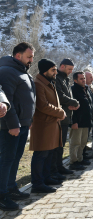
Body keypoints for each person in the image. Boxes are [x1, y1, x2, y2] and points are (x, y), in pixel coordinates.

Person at [0, 42, 36, 211]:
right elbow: (8, 102)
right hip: (10, 127)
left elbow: (28, 100)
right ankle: (2, 195)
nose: (31, 61)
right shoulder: (7, 71)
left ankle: (11, 187)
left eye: (32, 58)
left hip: (22, 125)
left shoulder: (22, 72)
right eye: (29, 57)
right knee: (6, 160)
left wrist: (29, 120)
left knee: (15, 158)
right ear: (18, 55)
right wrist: (13, 125)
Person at [30, 59, 66, 194]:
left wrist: (59, 111)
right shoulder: (38, 84)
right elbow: (43, 105)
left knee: (48, 153)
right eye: (53, 70)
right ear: (45, 71)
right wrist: (60, 112)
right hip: (43, 126)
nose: (56, 72)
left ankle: (46, 178)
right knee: (41, 154)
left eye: (56, 69)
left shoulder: (49, 82)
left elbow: (54, 103)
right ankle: (37, 183)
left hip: (52, 124)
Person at [53, 58, 79, 177]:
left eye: (72, 70)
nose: (70, 72)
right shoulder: (57, 78)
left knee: (61, 145)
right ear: (62, 66)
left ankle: (59, 166)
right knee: (57, 146)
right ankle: (55, 169)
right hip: (59, 118)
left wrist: (71, 105)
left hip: (66, 116)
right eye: (69, 69)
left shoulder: (65, 79)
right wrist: (74, 102)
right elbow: (60, 96)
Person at [70, 72, 93, 170]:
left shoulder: (86, 89)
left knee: (83, 142)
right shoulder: (73, 90)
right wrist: (74, 121)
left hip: (86, 120)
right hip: (78, 121)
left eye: (84, 78)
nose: (83, 80)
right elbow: (72, 108)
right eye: (81, 79)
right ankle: (73, 161)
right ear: (75, 80)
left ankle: (80, 159)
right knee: (75, 143)